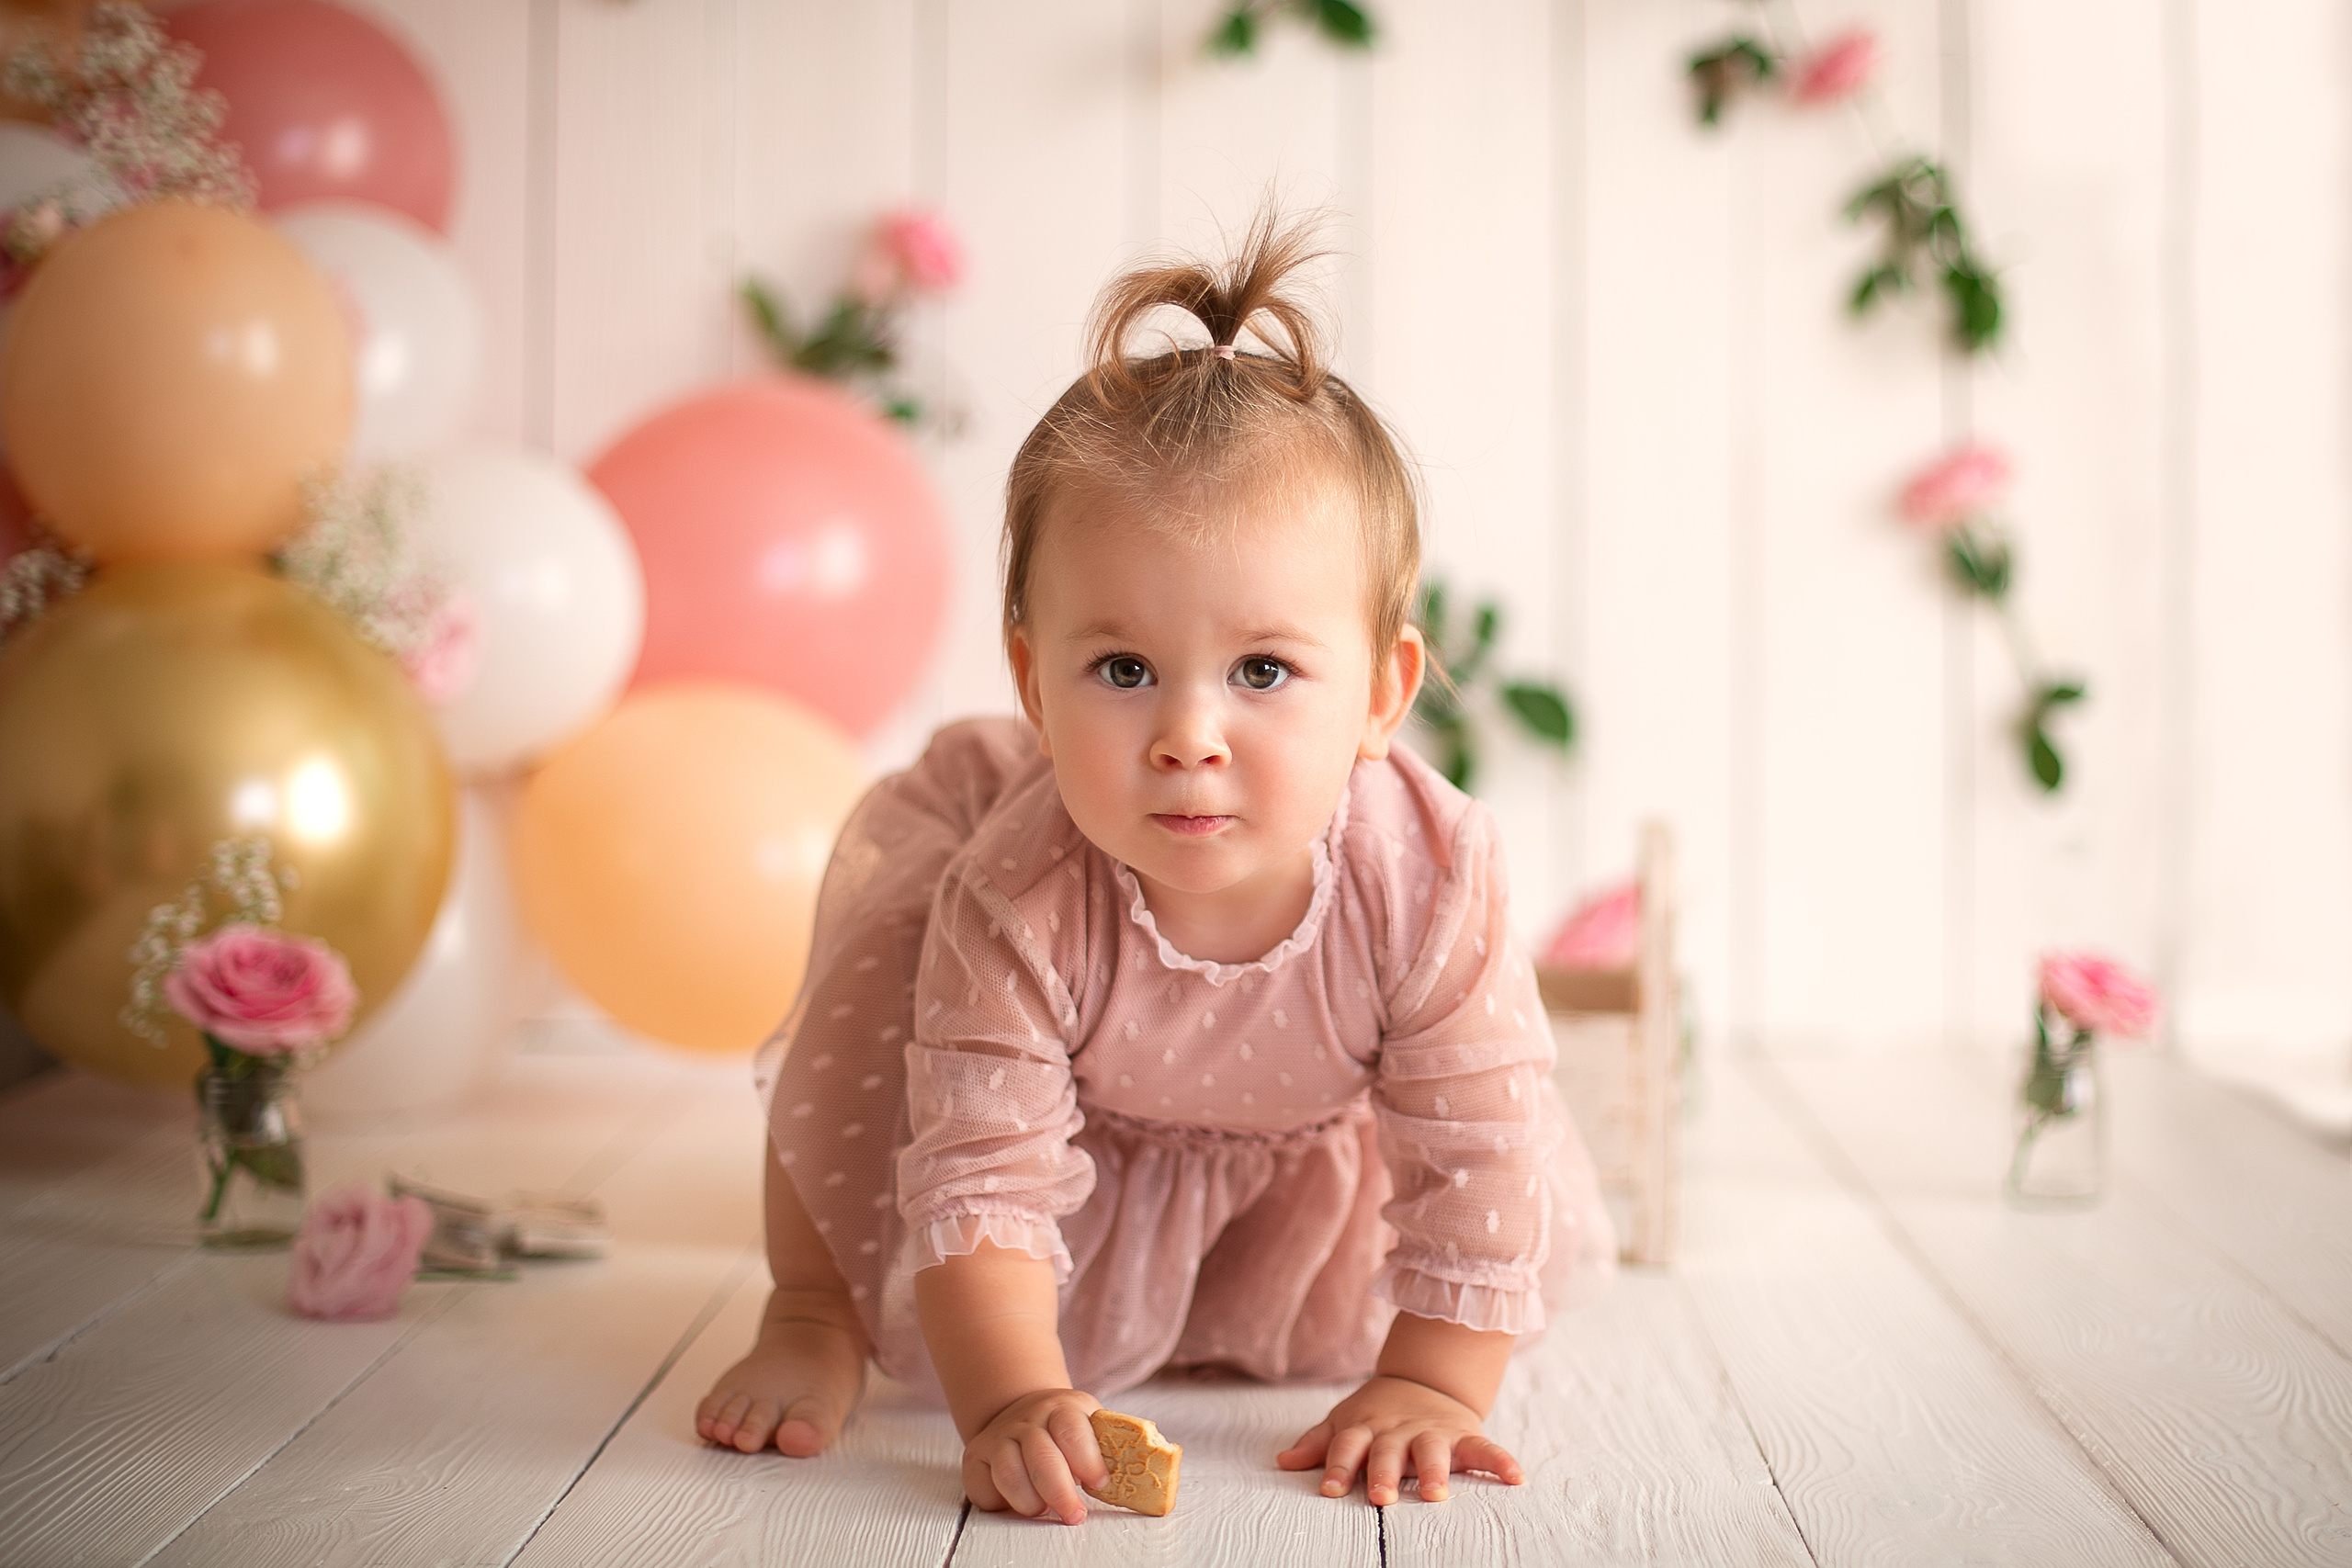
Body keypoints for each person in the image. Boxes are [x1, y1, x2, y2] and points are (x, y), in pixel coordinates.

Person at [695, 214, 1613, 1523]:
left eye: (1263, 672)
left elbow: (1480, 1148)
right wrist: (1012, 1396)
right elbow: (981, 1178)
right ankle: (811, 1305)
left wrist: (1436, 1384)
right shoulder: (1017, 893)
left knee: (1447, 1200)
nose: (1188, 736)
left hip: (1304, 1160)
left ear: (1382, 692)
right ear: (1031, 677)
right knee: (875, 973)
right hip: (1069, 1147)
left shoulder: (1427, 877)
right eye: (1122, 671)